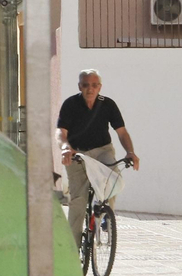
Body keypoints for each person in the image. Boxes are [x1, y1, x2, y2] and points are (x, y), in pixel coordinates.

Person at [57, 69, 141, 248]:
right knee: (78, 200)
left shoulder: (108, 105)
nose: (90, 89)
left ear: (100, 87)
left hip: (102, 150)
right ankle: (73, 249)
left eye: (94, 85)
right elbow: (61, 132)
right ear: (80, 86)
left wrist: (130, 152)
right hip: (77, 152)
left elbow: (121, 132)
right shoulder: (70, 104)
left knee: (113, 180)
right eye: (86, 85)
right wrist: (65, 148)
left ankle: (105, 216)